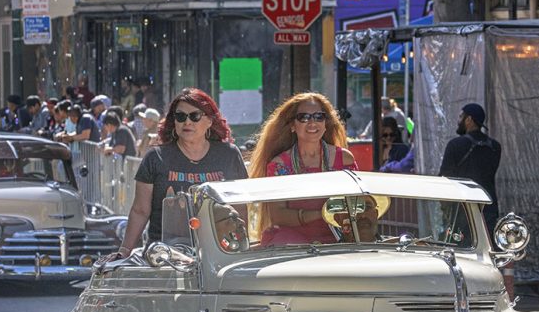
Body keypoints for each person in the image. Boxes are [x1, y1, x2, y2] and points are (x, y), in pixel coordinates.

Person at [114, 87, 247, 254]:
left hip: (219, 251)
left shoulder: (229, 154)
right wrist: (124, 251)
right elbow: (140, 211)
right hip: (164, 256)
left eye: (195, 116)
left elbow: (240, 207)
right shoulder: (155, 158)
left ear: (210, 121)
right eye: (180, 116)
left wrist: (242, 249)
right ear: (174, 121)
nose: (187, 122)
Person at [249, 92, 357, 245]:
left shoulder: (345, 159)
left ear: (326, 123)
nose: (312, 122)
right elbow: (278, 215)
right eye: (304, 117)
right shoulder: (280, 165)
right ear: (292, 125)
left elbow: (356, 204)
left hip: (339, 238)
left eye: (319, 117)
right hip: (293, 241)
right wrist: (321, 214)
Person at [439, 102, 502, 235]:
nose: (458, 121)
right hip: (488, 209)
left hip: (462, 211)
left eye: (461, 116)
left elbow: (444, 179)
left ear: (469, 120)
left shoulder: (455, 145)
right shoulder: (495, 147)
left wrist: (445, 210)